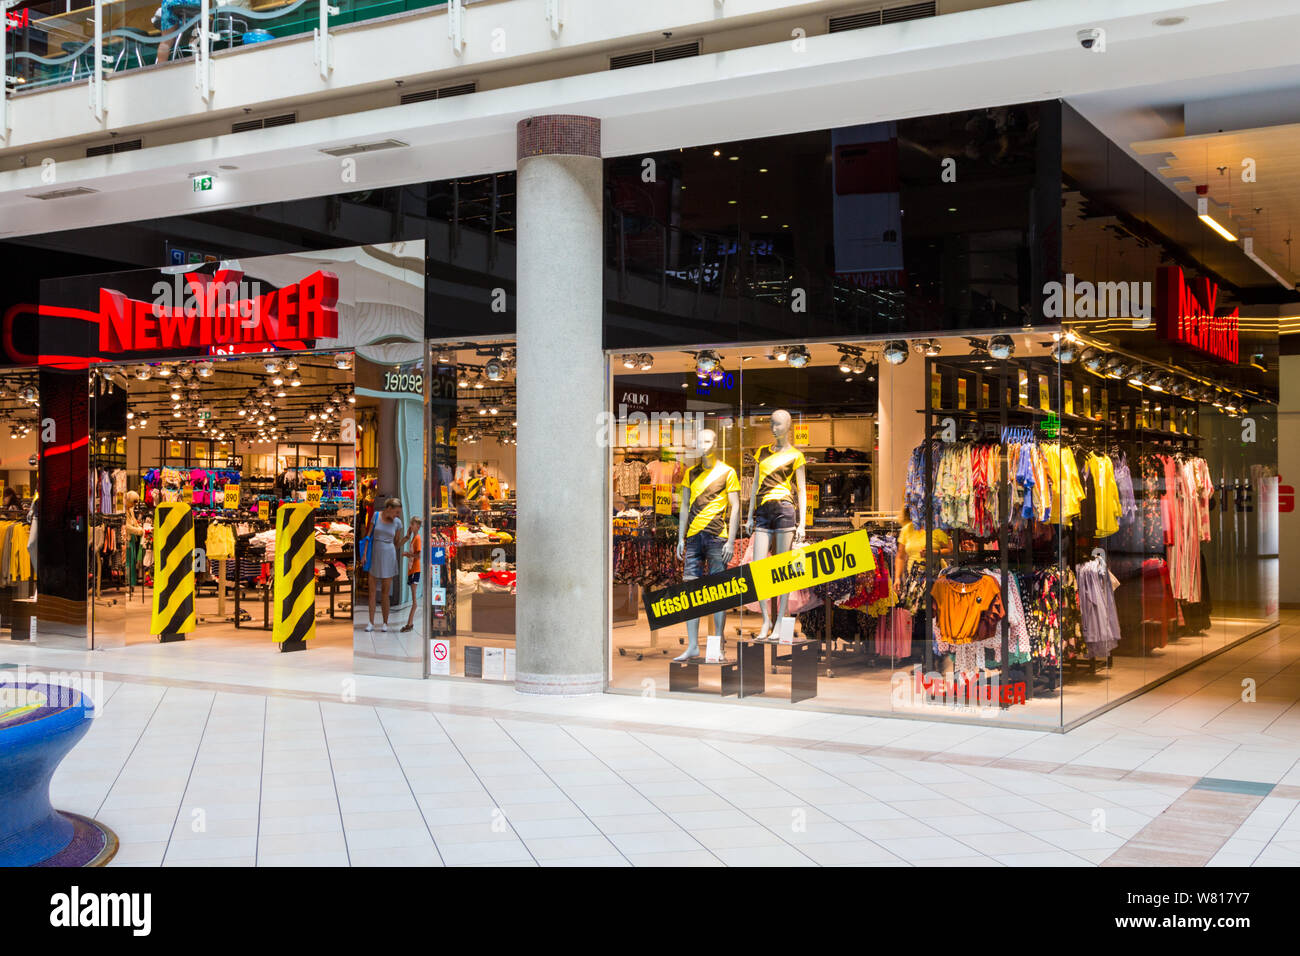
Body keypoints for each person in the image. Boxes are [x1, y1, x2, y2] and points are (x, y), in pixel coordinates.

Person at [364, 497, 404, 633]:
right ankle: (371, 622)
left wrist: (406, 538)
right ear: (389, 508)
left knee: (386, 593)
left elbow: (397, 544)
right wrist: (364, 555)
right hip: (375, 554)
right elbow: (368, 536)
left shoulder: (398, 523)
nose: (397, 515)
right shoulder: (375, 516)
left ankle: (385, 622)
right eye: (396, 512)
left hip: (389, 555)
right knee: (372, 592)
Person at [894, 504, 953, 581]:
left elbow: (951, 550)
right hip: (914, 580)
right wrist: (897, 578)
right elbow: (900, 556)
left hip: (936, 578)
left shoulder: (936, 528)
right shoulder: (906, 529)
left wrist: (934, 552)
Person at [401, 517, 422, 633]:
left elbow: (418, 556)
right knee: (413, 598)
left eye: (412, 524)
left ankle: (410, 623)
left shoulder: (417, 538)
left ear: (417, 526)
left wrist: (407, 554)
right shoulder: (414, 538)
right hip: (412, 570)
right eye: (410, 524)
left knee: (414, 600)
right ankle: (410, 623)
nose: (410, 526)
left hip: (415, 570)